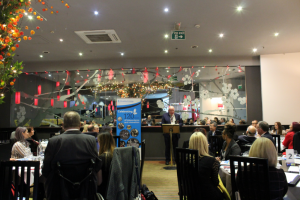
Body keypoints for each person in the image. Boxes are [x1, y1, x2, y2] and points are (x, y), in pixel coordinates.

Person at [42, 111, 102, 200]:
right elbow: (96, 165)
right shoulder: (91, 140)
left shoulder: (54, 141)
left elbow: (46, 170)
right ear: (80, 124)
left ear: (63, 125)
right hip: (86, 191)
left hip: (59, 191)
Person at [189, 132, 224, 200]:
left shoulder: (184, 160)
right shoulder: (211, 160)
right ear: (204, 144)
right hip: (207, 195)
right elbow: (215, 182)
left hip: (191, 194)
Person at [97, 132, 116, 198]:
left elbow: (99, 182)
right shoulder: (118, 156)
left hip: (104, 192)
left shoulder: (100, 158)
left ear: (101, 143)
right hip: (117, 191)